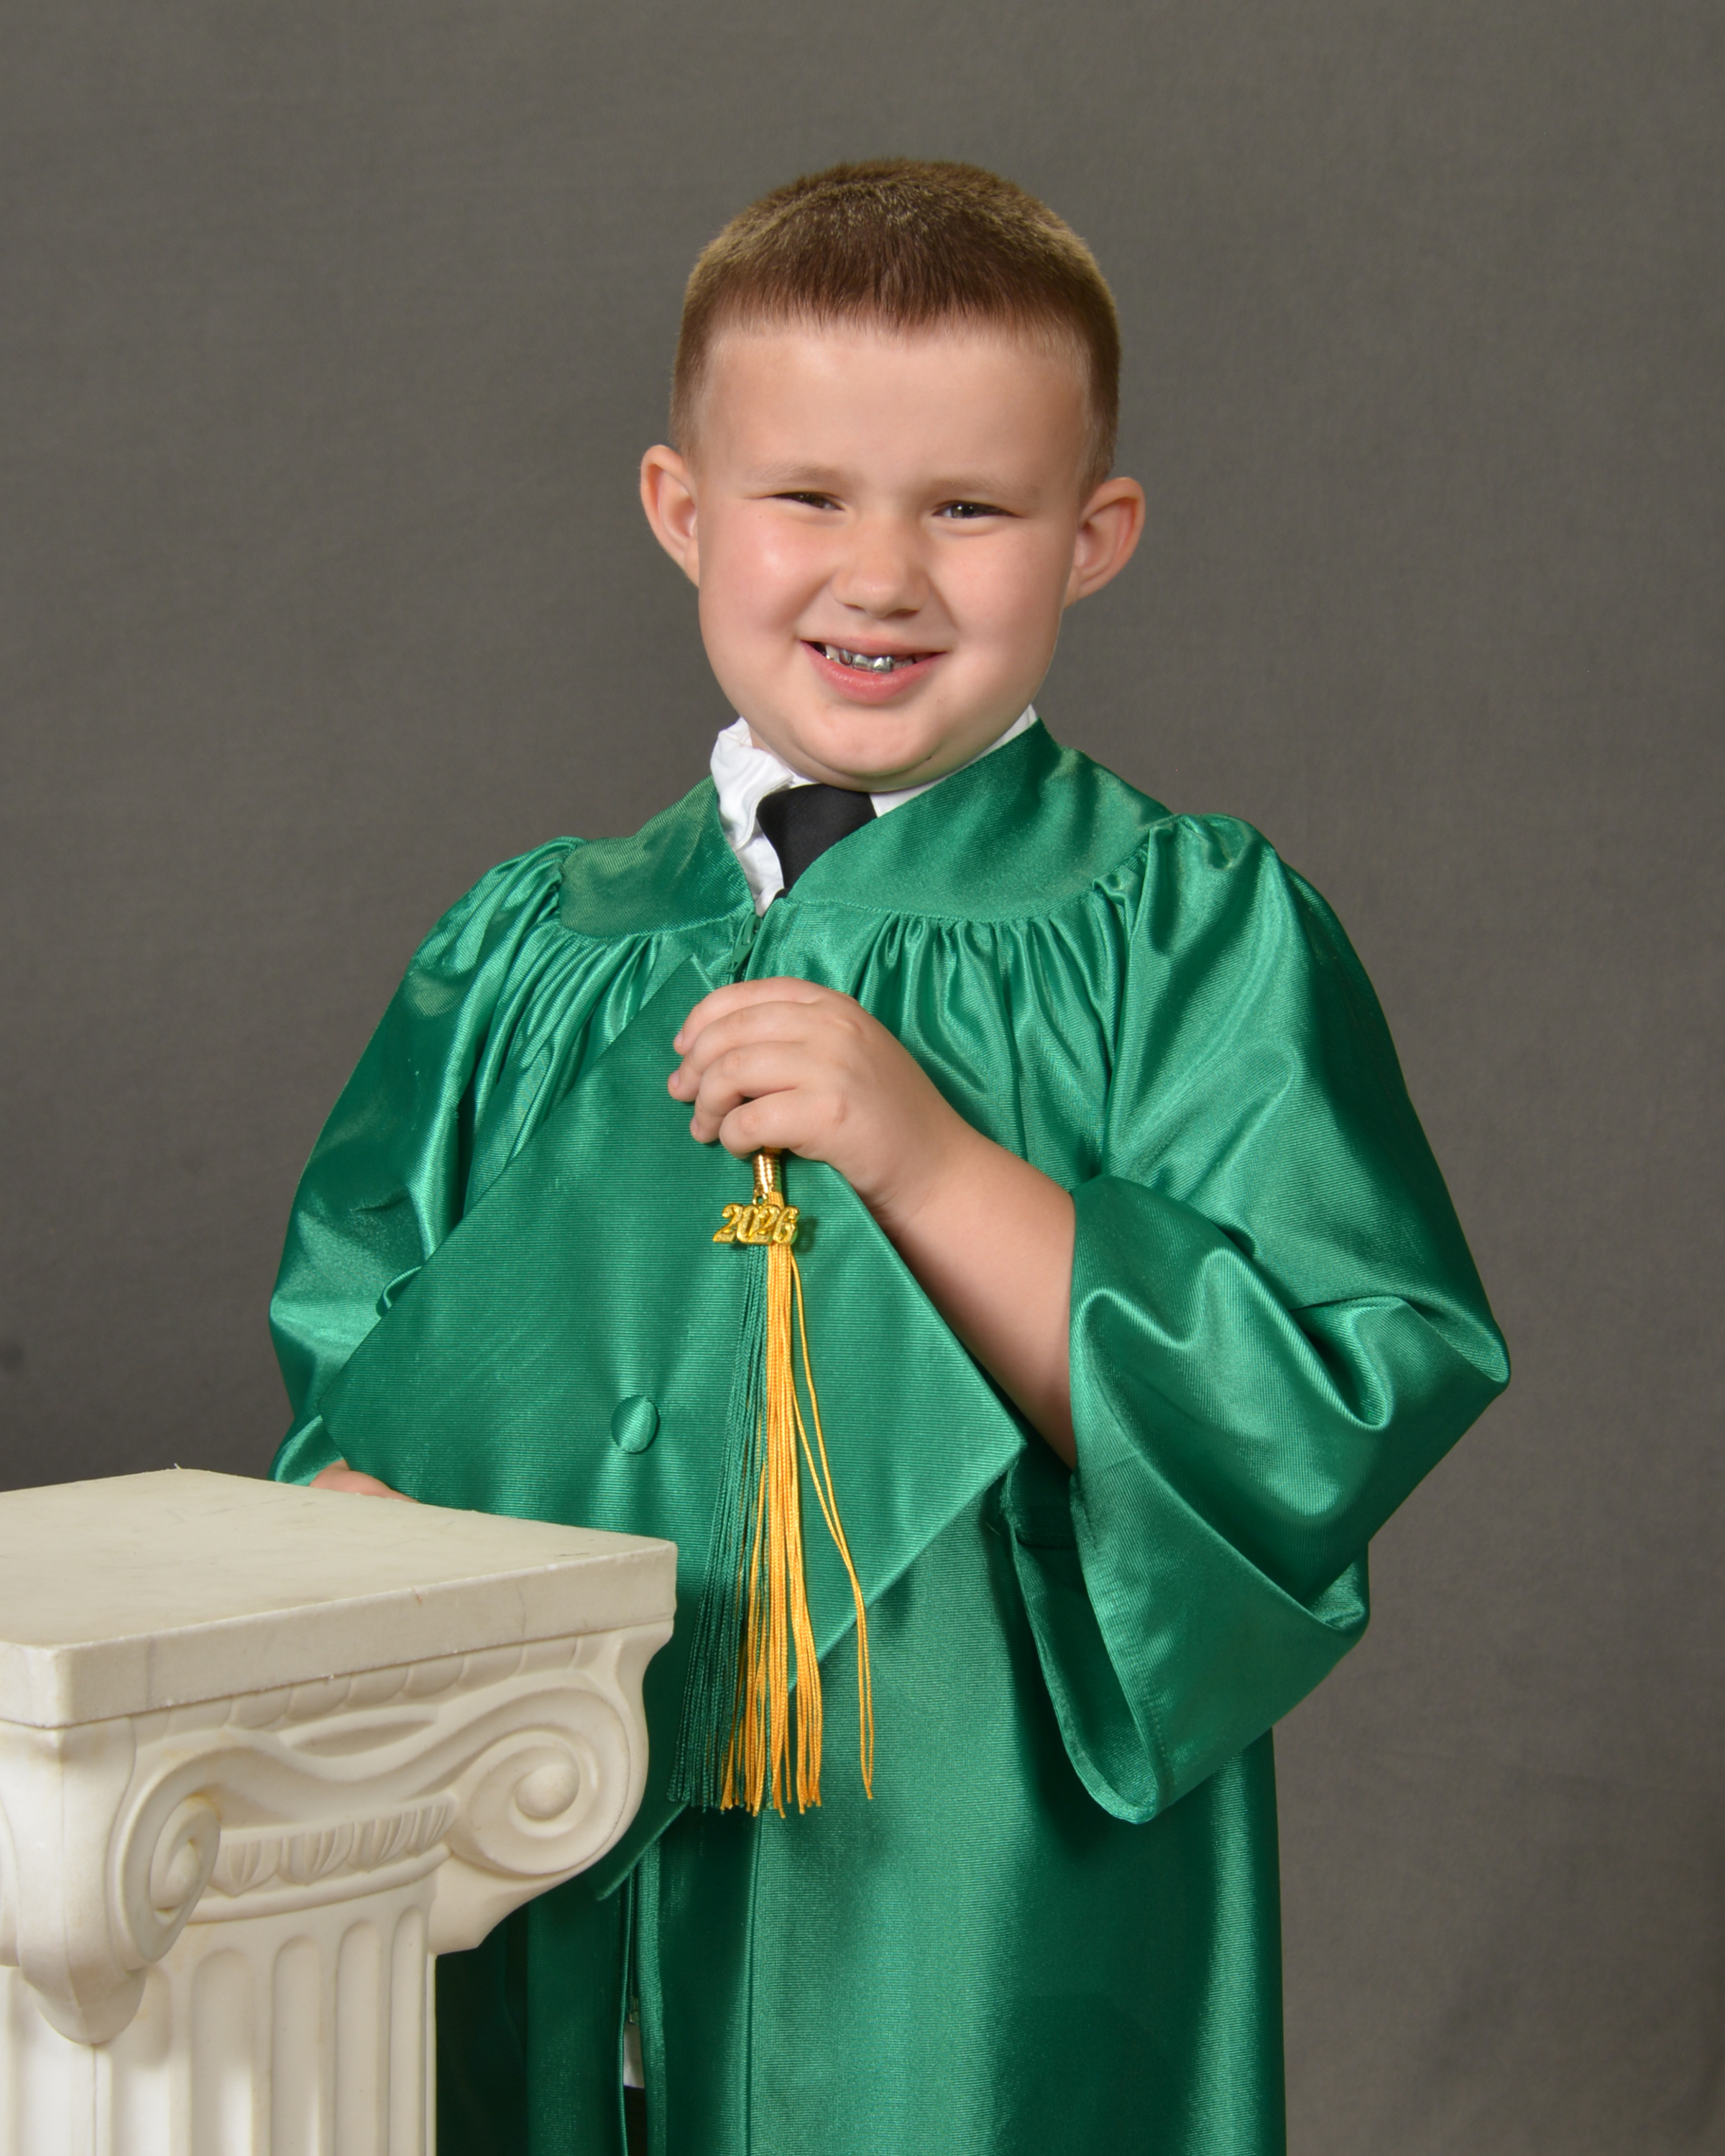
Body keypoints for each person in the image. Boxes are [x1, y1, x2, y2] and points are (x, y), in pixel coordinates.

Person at [270, 160, 1509, 2156]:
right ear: (682, 510)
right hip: (542, 1826)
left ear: (1094, 539)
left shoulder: (1182, 934)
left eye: (969, 510)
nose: (882, 577)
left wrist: (928, 1167)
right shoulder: (536, 945)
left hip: (963, 1869)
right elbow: (363, 1342)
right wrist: (352, 1513)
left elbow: (1326, 1398)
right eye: (808, 498)